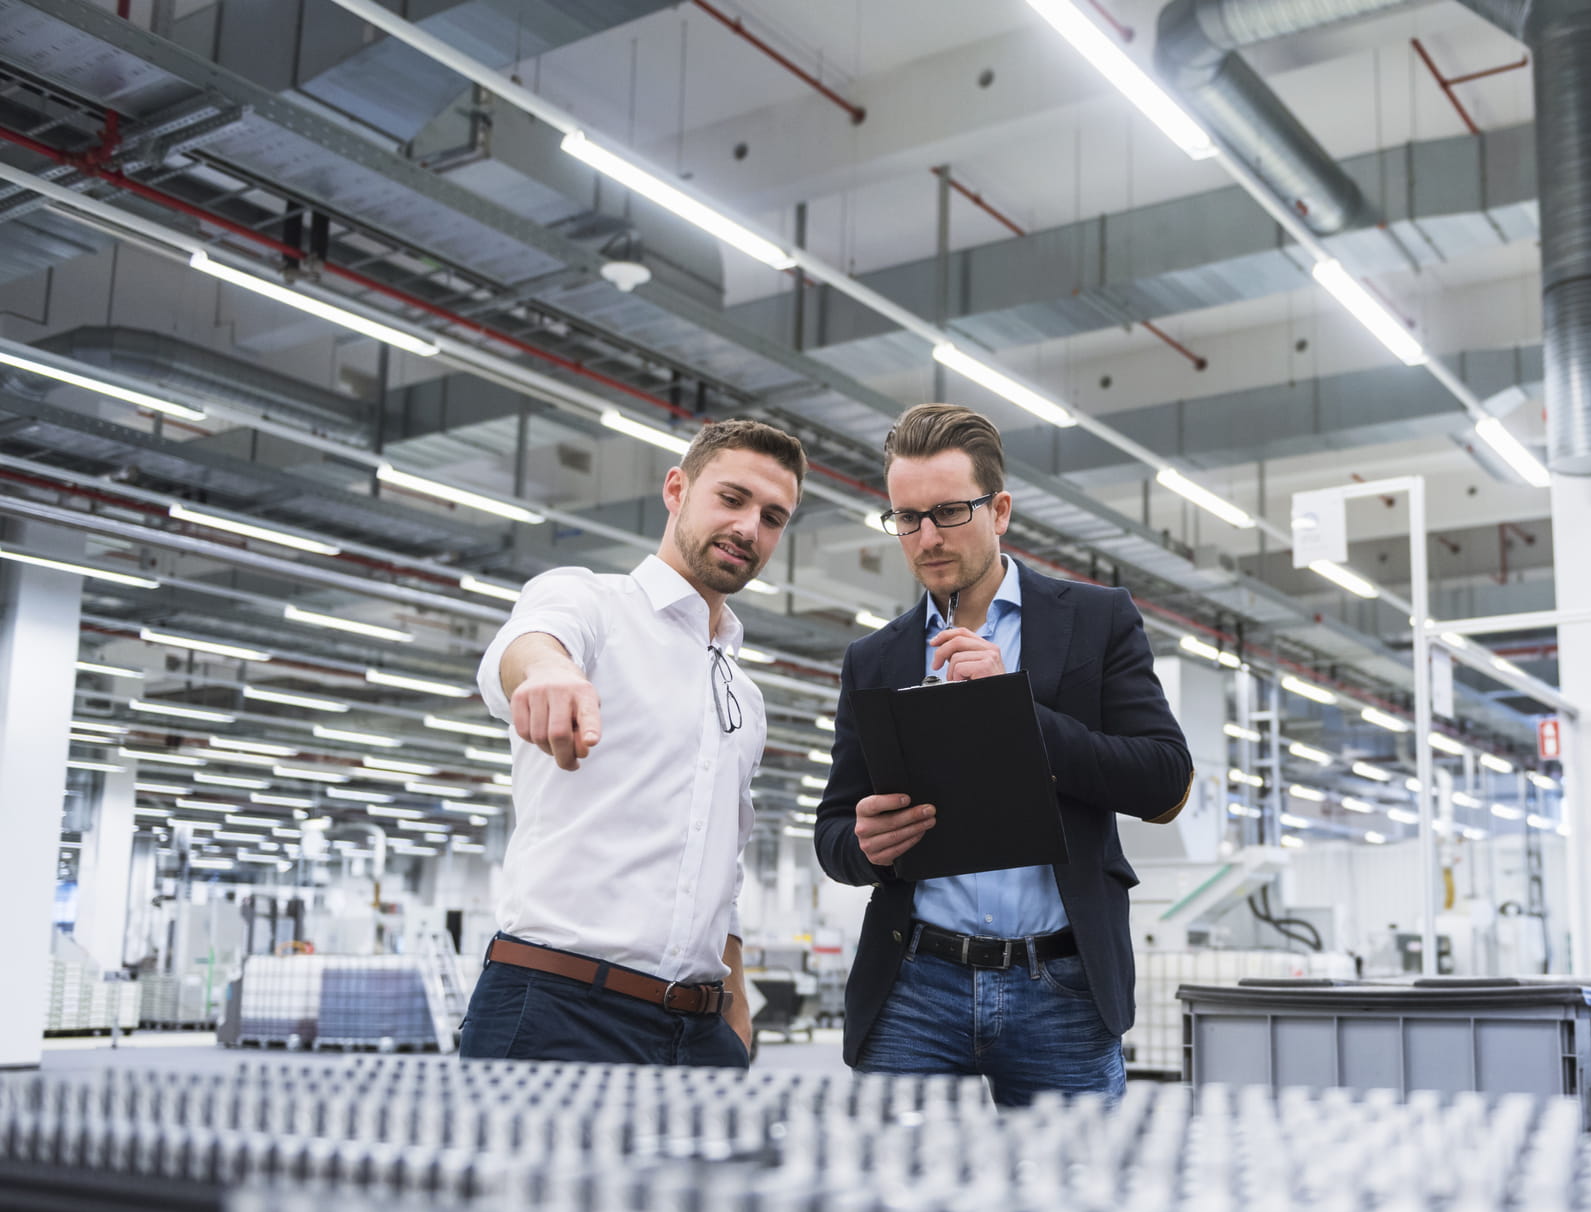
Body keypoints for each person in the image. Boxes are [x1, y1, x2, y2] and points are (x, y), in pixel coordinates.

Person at [814, 403, 1193, 1104]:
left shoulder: (1095, 621)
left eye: (949, 512)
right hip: (914, 986)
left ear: (1001, 510)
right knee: (898, 1207)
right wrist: (864, 846)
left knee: (1075, 1204)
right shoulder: (875, 658)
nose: (926, 538)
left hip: (1062, 986)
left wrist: (1014, 711)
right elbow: (833, 833)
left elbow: (1164, 782)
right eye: (906, 518)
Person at [457, 419, 807, 1066]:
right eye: (731, 499)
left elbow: (721, 860)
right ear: (676, 489)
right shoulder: (591, 603)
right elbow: (529, 641)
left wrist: (733, 996)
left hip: (699, 1031)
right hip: (555, 1012)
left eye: (772, 516)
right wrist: (550, 670)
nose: (748, 529)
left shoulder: (743, 695)